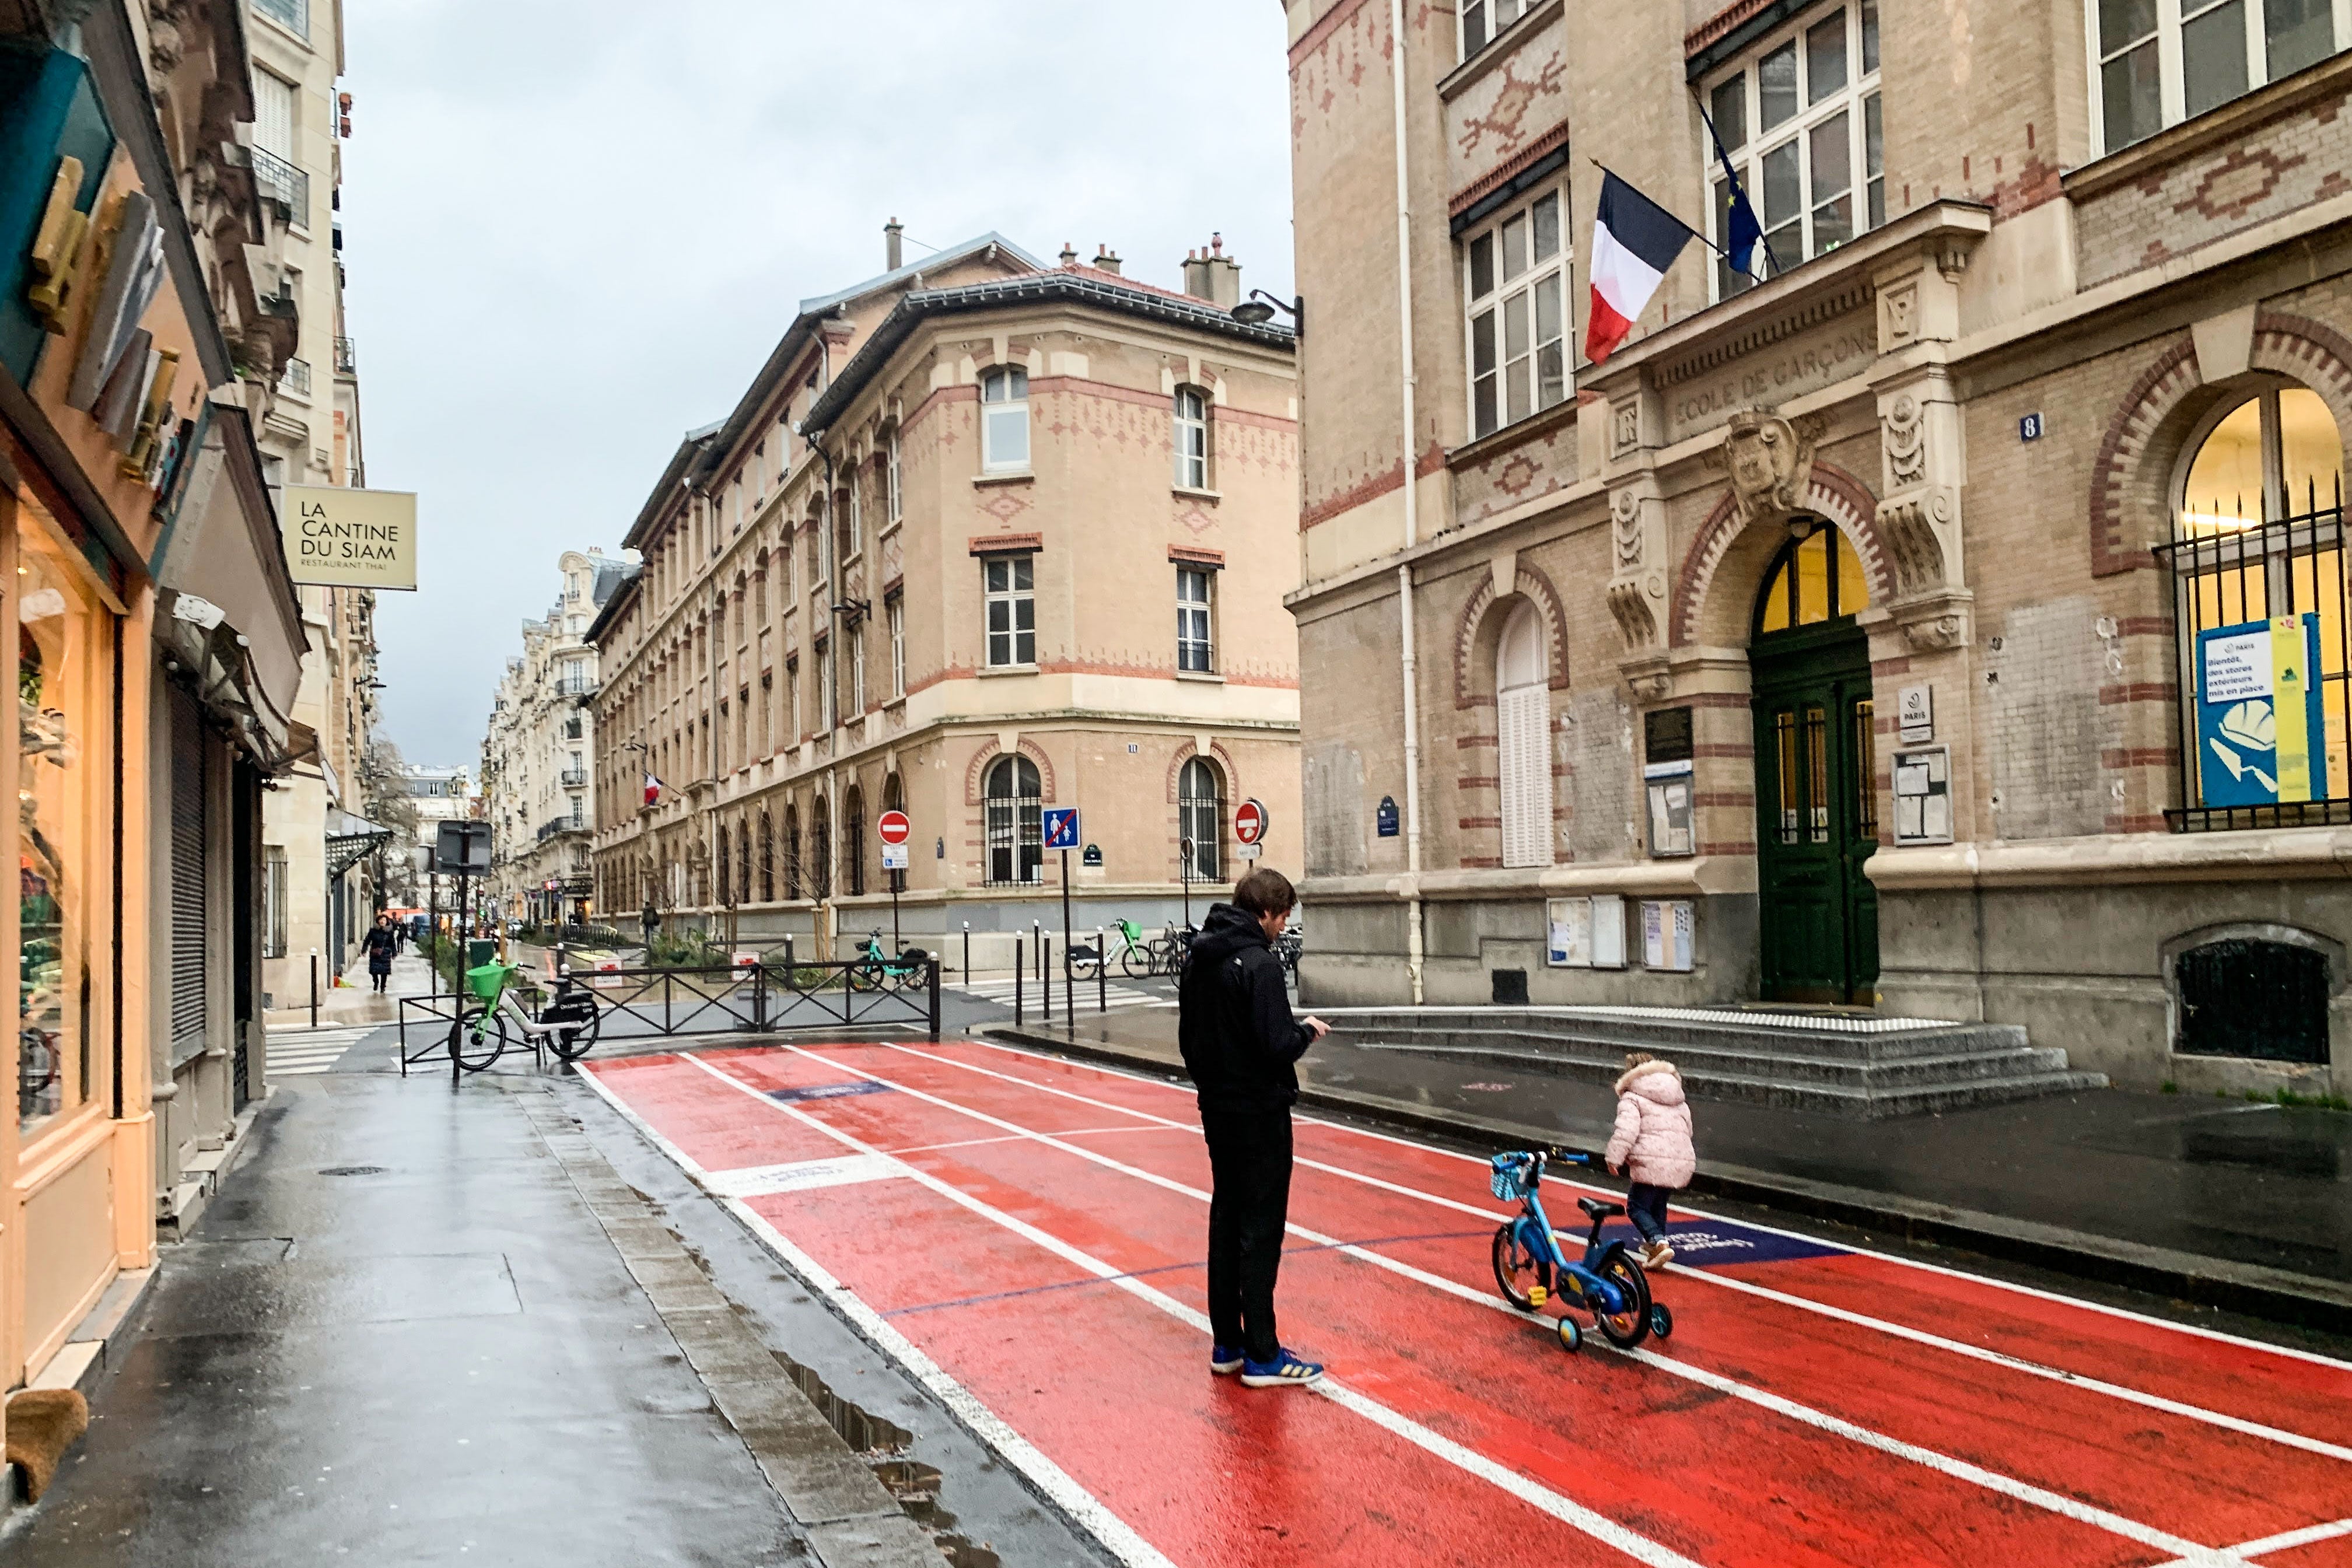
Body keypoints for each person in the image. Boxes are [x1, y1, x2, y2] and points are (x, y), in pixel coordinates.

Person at [1177, 867, 1330, 1389]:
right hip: (1260, 1113)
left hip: (1217, 1108)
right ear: (1266, 911)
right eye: (1284, 915)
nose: (1285, 925)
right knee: (1261, 1229)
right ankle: (1263, 1351)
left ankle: (1228, 1342)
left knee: (1226, 1218)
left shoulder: (1200, 957)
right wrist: (1304, 1033)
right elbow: (1275, 1045)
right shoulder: (1259, 965)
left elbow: (1188, 1041)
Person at [1604, 1052, 1696, 1269]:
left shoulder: (1632, 1097)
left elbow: (1626, 1131)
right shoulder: (1677, 1096)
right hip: (1679, 1159)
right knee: (1658, 1203)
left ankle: (1658, 1241)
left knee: (1636, 1206)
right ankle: (1655, 1245)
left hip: (1650, 1160)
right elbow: (1688, 1131)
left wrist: (1614, 1158)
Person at [362, 914, 398, 995]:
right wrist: (364, 951)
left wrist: (394, 953)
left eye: (384, 920)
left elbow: (393, 943)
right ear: (378, 921)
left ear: (387, 922)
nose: (383, 922)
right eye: (381, 920)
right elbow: (367, 941)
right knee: (374, 971)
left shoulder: (390, 932)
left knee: (384, 972)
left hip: (386, 954)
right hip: (375, 954)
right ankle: (376, 982)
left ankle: (383, 987)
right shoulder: (373, 931)